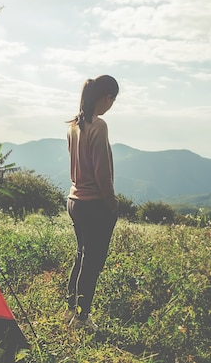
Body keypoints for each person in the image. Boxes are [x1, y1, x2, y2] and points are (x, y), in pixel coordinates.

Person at [64, 75, 119, 330]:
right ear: (107, 97)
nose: (112, 105)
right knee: (93, 261)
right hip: (94, 203)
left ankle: (70, 309)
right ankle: (82, 318)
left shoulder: (74, 125)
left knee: (81, 254)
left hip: (74, 200)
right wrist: (112, 203)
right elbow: (102, 174)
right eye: (113, 100)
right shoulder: (99, 126)